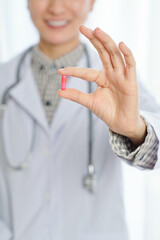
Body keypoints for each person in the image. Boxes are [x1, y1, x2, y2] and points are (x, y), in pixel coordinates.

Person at [0, 0, 160, 239]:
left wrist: (135, 130)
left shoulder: (119, 81)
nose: (56, 7)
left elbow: (155, 152)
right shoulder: (5, 78)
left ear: (92, 2)